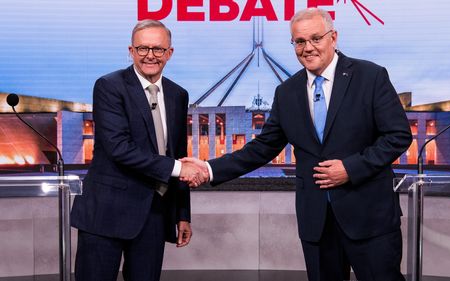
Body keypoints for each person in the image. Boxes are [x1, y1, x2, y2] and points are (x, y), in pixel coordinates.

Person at [182, 8, 412, 281]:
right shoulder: (287, 92)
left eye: (316, 38)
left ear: (333, 37)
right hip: (317, 222)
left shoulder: (370, 76)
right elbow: (263, 147)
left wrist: (351, 168)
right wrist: (209, 168)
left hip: (370, 218)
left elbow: (397, 136)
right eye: (299, 41)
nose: (308, 47)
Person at [71, 20, 205, 281]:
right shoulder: (109, 86)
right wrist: (180, 169)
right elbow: (119, 148)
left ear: (170, 53)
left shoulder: (178, 94)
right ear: (131, 51)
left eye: (158, 49)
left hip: (153, 215)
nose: (150, 56)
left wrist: (182, 214)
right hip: (105, 214)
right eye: (143, 48)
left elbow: (178, 152)